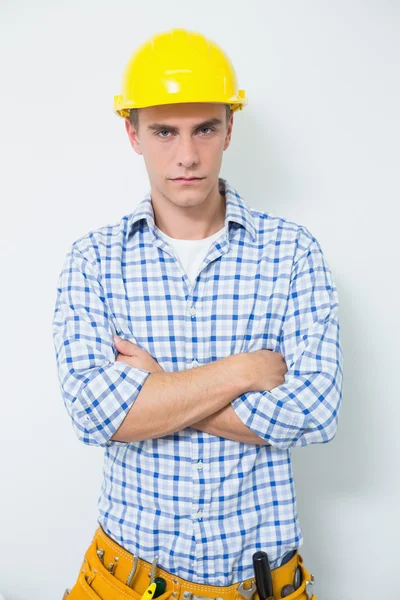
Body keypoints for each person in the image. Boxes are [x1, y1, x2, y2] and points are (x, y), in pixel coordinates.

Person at [53, 27, 343, 600]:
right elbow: (94, 415)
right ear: (132, 132)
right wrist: (243, 371)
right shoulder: (94, 260)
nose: (186, 155)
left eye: (204, 128)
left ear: (229, 128)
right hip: (121, 583)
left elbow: (316, 411)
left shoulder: (292, 253)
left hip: (261, 587)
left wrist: (155, 390)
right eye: (164, 131)